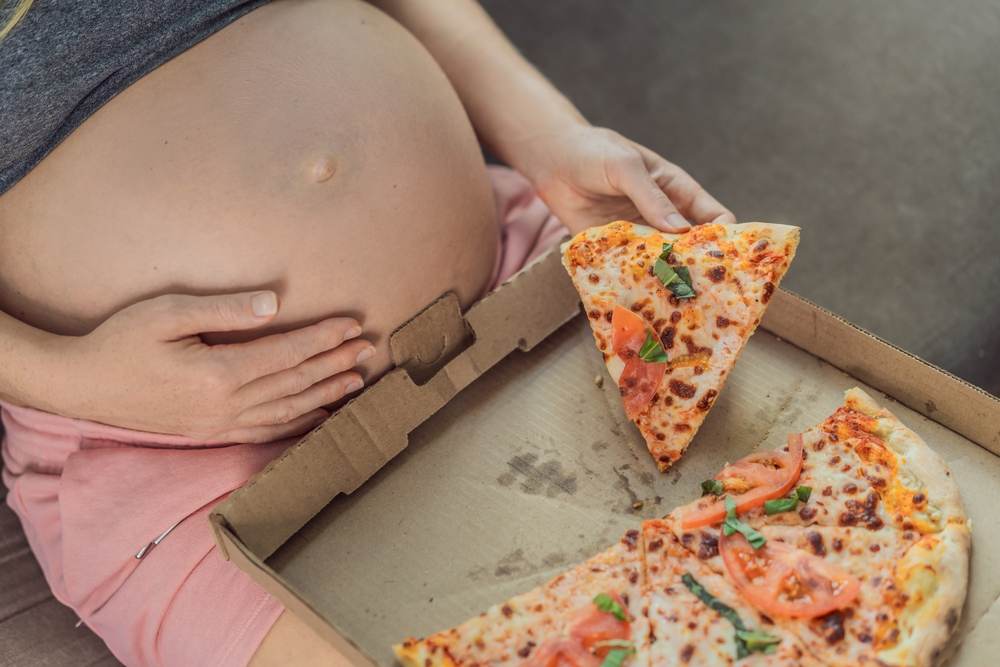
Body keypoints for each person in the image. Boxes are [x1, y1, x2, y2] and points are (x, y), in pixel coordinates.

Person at [0, 1, 734, 664]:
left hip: (512, 274)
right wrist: (74, 377)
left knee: (776, 560)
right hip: (171, 442)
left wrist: (550, 137)